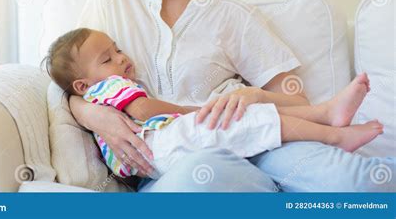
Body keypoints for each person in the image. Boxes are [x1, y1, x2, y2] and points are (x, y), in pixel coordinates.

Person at [68, 0, 395, 191]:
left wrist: (255, 95)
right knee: (203, 178)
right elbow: (67, 79)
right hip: (178, 162)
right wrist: (95, 116)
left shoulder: (231, 17)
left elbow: (296, 99)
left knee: (362, 182)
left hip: (262, 143)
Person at [45, 28, 382, 179]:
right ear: (82, 84)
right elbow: (144, 110)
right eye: (108, 58)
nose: (121, 58)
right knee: (238, 117)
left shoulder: (101, 89)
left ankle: (327, 114)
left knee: (244, 112)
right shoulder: (108, 89)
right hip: (160, 145)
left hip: (155, 158)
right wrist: (198, 112)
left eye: (118, 49)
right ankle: (333, 132)